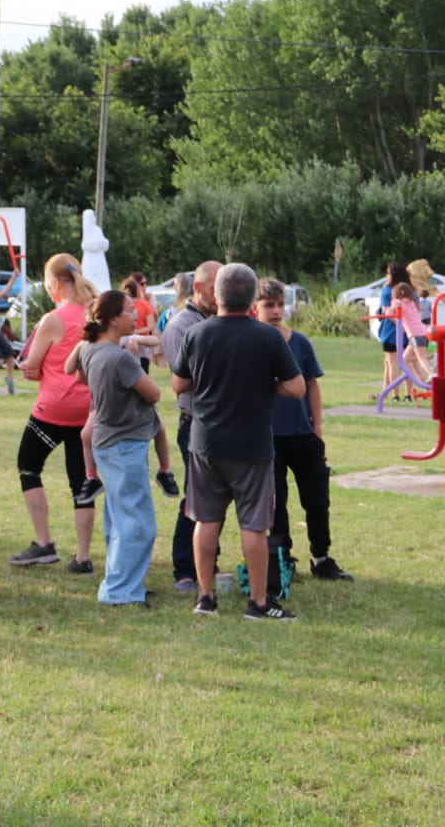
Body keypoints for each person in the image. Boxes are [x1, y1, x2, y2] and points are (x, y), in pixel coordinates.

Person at [172, 263, 304, 622]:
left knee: (206, 520)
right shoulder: (268, 337)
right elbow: (296, 387)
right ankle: (258, 604)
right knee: (254, 525)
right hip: (252, 445)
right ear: (251, 300)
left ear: (216, 296)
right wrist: (264, 384)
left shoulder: (197, 334)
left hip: (205, 443)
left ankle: (205, 598)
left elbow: (178, 384)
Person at [253, 278, 352, 582]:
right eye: (269, 305)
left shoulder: (300, 342)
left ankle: (321, 557)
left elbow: (312, 385)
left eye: (280, 304)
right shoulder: (253, 343)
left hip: (303, 434)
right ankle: (282, 559)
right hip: (268, 436)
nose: (276, 311)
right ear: (254, 308)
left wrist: (317, 430)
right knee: (275, 501)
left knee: (317, 499)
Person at [71, 290, 162, 606]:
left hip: (105, 443)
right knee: (138, 523)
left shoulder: (91, 350)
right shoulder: (121, 357)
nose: (135, 315)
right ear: (111, 319)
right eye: (128, 311)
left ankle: (124, 583)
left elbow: (82, 379)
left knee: (119, 520)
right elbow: (154, 394)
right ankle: (120, 591)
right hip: (125, 444)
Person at [10, 253, 99, 572]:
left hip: (52, 409)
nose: (47, 290)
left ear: (58, 284)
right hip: (87, 411)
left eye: (47, 284)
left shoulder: (52, 319)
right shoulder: (95, 313)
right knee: (83, 481)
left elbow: (30, 364)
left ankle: (44, 542)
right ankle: (83, 556)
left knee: (28, 466)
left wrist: (33, 368)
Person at [162, 261, 219, 591]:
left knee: (215, 498)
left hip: (220, 423)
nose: (221, 295)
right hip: (196, 422)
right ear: (198, 288)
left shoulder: (217, 321)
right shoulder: (181, 326)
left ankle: (208, 563)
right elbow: (189, 380)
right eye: (216, 288)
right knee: (196, 499)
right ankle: (185, 567)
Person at [377, 262, 413, 396]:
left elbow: (388, 312)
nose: (386, 276)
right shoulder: (410, 291)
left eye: (388, 273)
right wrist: (406, 326)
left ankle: (395, 395)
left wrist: (401, 325)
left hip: (390, 332)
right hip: (408, 332)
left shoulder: (387, 291)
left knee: (392, 362)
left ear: (393, 275)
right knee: (404, 362)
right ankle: (407, 394)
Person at [390, 281, 433, 390]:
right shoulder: (412, 302)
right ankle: (430, 360)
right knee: (404, 359)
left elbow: (389, 311)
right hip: (421, 332)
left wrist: (392, 305)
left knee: (421, 357)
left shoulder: (399, 303)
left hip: (415, 334)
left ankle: (432, 374)